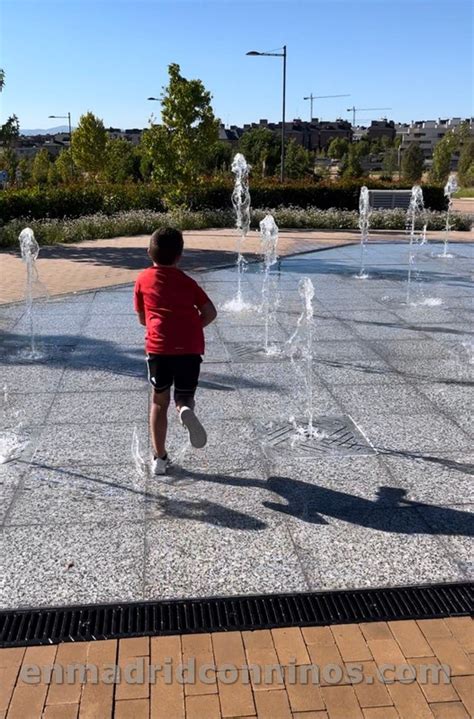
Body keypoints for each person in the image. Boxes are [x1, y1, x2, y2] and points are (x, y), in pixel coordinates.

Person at [134, 227, 217, 475]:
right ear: (180, 256)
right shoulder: (188, 282)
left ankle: (159, 459)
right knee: (184, 395)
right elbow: (210, 312)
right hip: (190, 348)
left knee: (159, 401)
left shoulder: (143, 280)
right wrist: (192, 328)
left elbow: (142, 319)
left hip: (159, 349)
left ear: (149, 252)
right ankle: (184, 410)